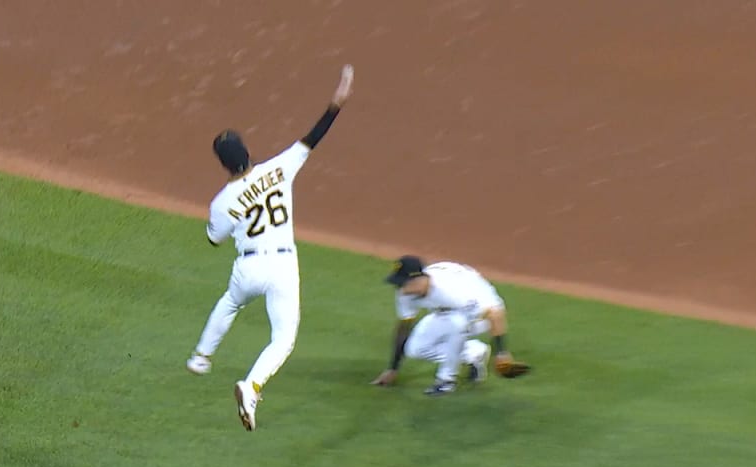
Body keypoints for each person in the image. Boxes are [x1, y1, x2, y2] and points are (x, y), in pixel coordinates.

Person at [186, 64, 355, 431]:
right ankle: (252, 386)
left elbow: (214, 239)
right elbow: (313, 138)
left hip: (248, 268)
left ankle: (201, 357)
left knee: (231, 302)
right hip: (283, 267)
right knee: (283, 340)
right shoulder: (279, 168)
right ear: (247, 152)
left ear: (223, 164)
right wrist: (336, 102)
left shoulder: (222, 201)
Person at [370, 255, 532, 395]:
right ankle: (473, 353)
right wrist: (393, 369)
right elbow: (403, 328)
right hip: (446, 311)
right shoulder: (406, 293)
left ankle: (446, 381)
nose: (400, 289)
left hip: (482, 313)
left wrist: (501, 353)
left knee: (457, 324)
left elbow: (494, 314)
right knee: (414, 349)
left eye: (403, 283)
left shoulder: (451, 291)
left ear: (419, 278)